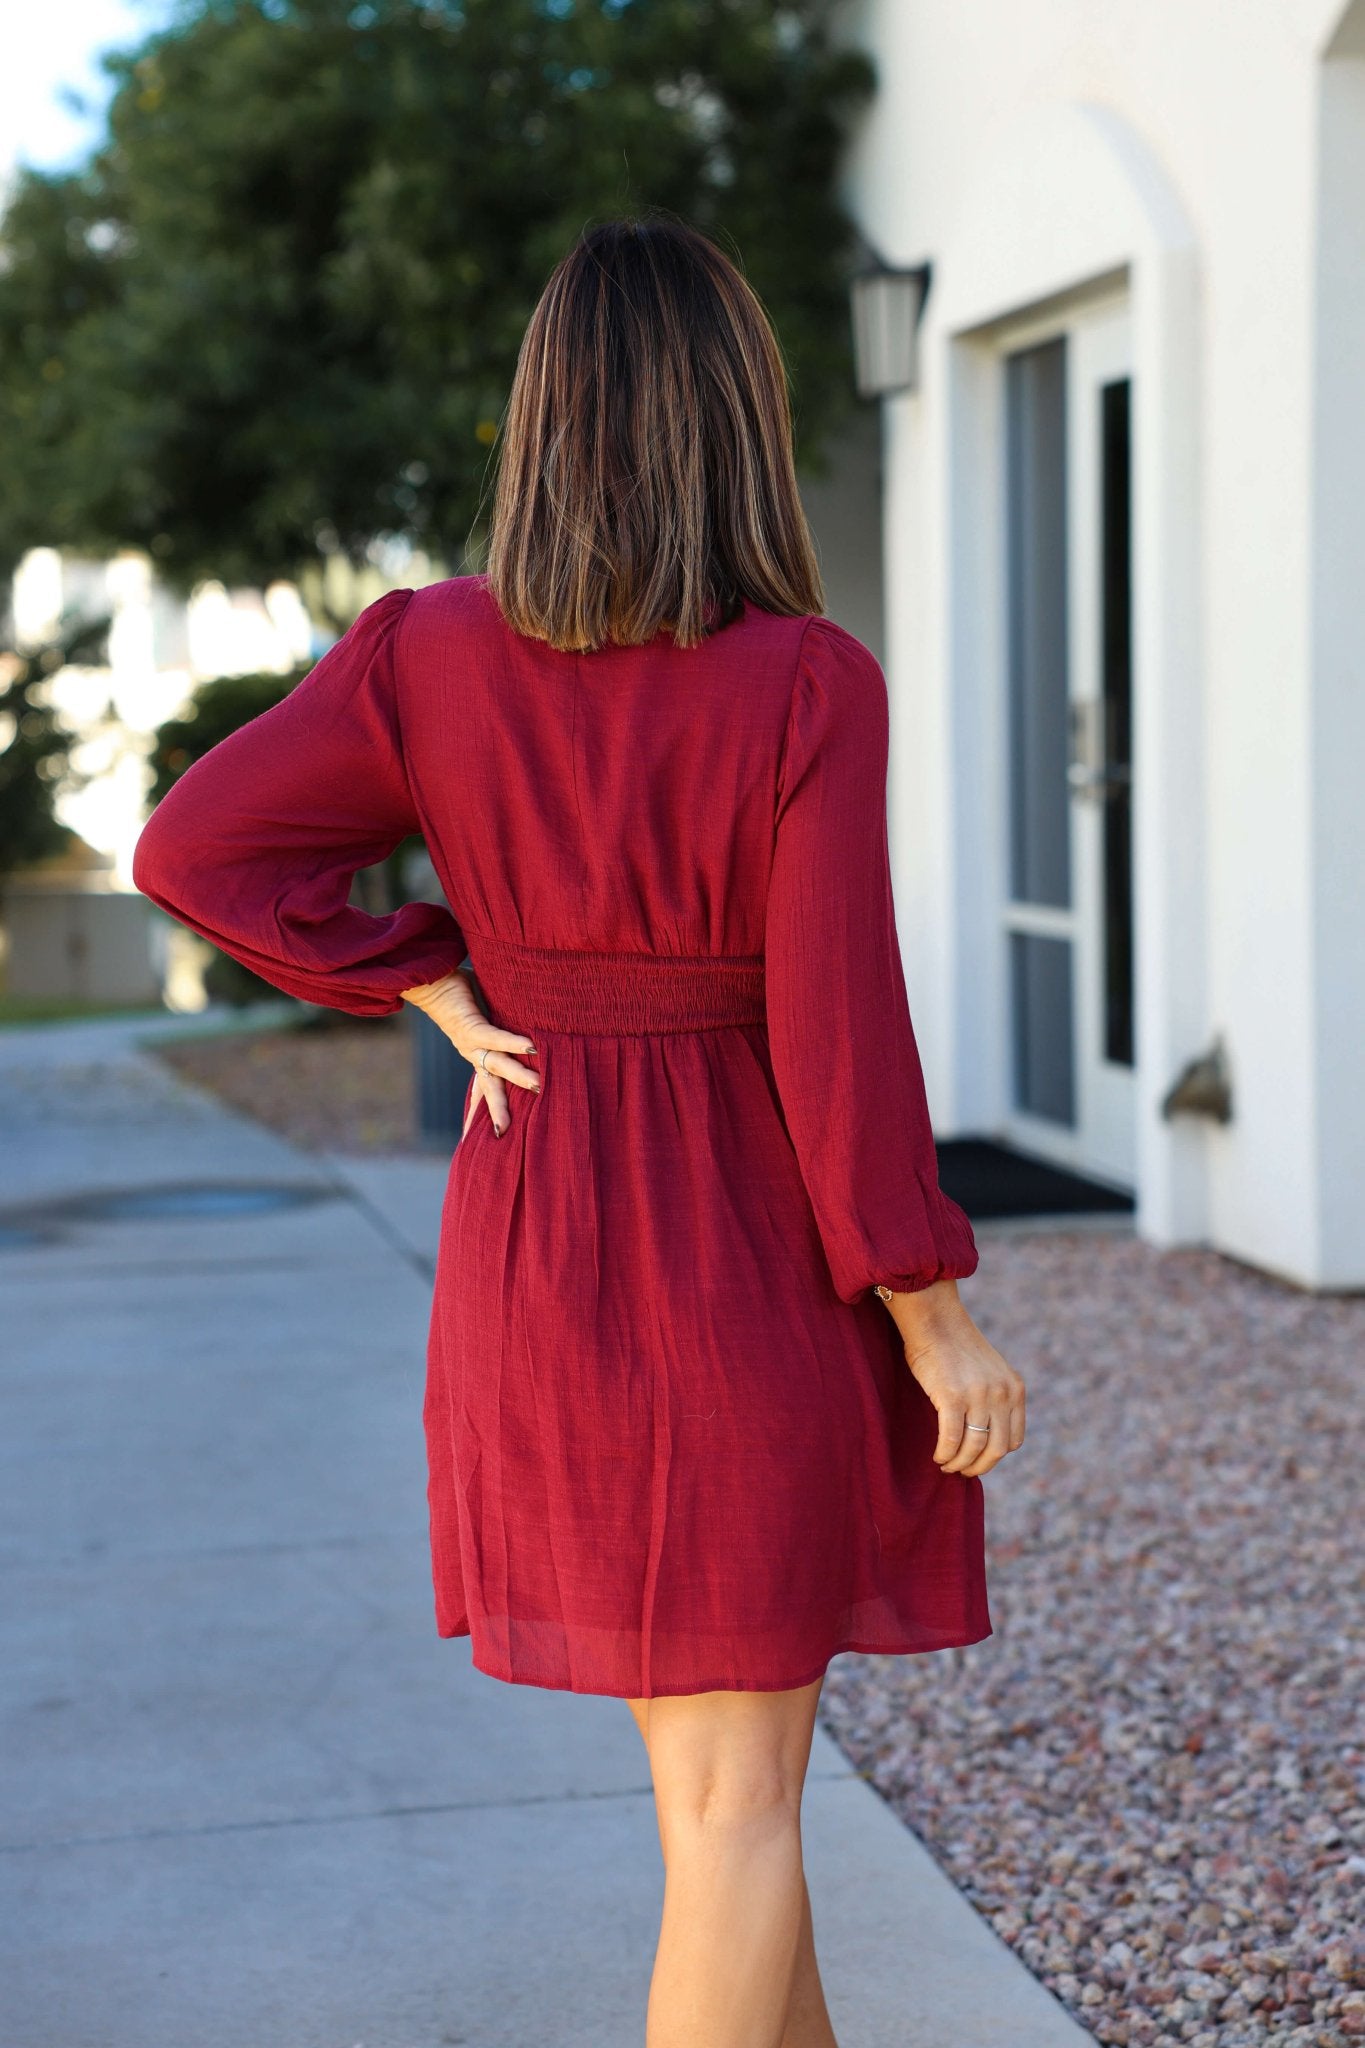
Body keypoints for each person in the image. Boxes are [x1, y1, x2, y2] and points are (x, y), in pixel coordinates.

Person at [132, 211, 1025, 2048]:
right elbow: (839, 1027)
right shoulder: (801, 678)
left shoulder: (427, 656)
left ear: (547, 419)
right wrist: (932, 1314)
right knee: (737, 1816)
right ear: (734, 418)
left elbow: (195, 848)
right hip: (739, 1275)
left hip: (538, 1257)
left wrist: (420, 967)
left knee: (715, 1808)